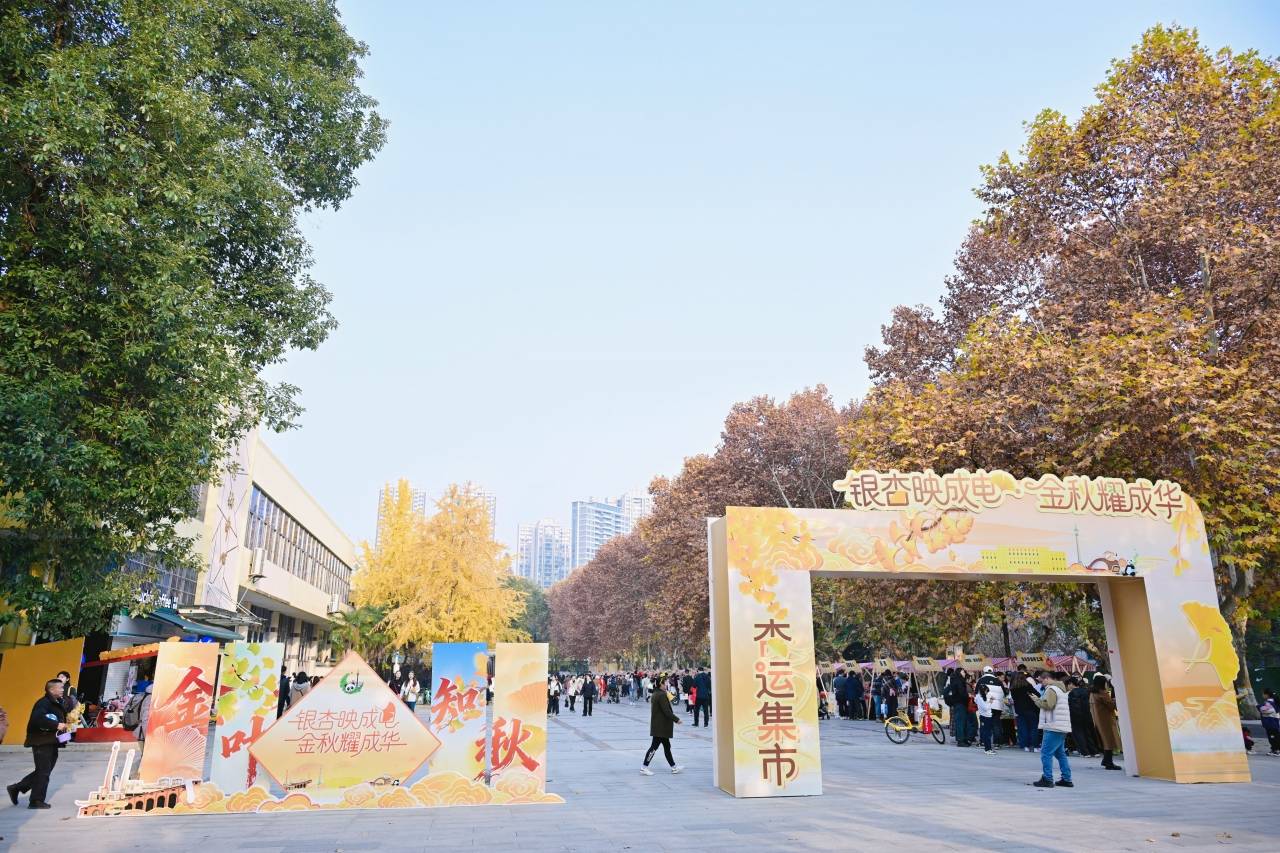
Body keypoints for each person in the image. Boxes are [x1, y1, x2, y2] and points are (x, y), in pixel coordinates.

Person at [7, 679, 69, 809]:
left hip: (51, 741)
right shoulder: (43, 703)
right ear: (51, 689)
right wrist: (56, 724)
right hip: (41, 741)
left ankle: (17, 788)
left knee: (44, 771)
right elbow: (38, 719)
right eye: (60, 687)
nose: (63, 690)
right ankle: (36, 801)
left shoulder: (56, 703)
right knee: (43, 771)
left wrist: (65, 735)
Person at [1032, 670, 1073, 788]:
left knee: (1046, 753)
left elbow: (1048, 705)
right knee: (1060, 753)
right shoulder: (1061, 689)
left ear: (1047, 679)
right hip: (1061, 725)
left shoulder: (1051, 689)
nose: (1041, 684)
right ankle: (1066, 778)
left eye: (1041, 681)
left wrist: (1036, 700)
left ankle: (1047, 778)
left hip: (1053, 726)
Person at [640, 675, 683, 776]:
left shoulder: (656, 693)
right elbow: (667, 711)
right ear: (661, 684)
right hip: (661, 727)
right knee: (654, 747)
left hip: (659, 726)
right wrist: (677, 719)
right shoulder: (661, 695)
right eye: (665, 683)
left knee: (667, 747)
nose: (667, 684)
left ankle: (673, 767)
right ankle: (644, 767)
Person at [1089, 674, 1123, 770]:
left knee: (1105, 740)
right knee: (1109, 740)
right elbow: (1111, 706)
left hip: (1097, 720)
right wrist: (1115, 701)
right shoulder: (1102, 693)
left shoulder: (1092, 693)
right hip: (1106, 720)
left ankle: (1106, 760)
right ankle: (1109, 763)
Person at [1011, 665, 1042, 752]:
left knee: (1023, 728)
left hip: (1019, 710)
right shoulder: (1028, 685)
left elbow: (1014, 699)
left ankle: (1025, 746)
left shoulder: (1013, 688)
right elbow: (1038, 694)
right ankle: (1035, 746)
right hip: (1030, 708)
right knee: (1033, 727)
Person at [1066, 676, 1099, 757]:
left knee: (1078, 734)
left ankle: (1084, 752)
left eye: (1068, 684)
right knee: (1088, 734)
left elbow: (1073, 706)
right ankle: (1094, 751)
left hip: (1076, 716)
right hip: (1087, 715)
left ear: (1071, 684)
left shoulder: (1072, 693)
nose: (1067, 687)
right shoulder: (1085, 691)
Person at [1260, 688, 1280, 756]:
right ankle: (1274, 749)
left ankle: (1276, 750)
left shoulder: (1269, 703)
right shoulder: (1275, 701)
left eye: (1263, 694)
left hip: (1270, 722)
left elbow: (1264, 710)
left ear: (1267, 695)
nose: (1262, 695)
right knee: (1274, 736)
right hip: (1274, 722)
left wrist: (1259, 706)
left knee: (1273, 737)